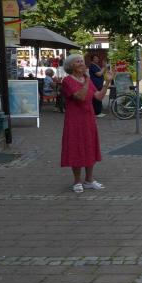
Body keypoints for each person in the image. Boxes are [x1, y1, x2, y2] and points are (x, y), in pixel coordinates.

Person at [61, 54, 112, 193]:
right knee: (76, 147)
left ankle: (89, 180)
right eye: (77, 61)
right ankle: (77, 181)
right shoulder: (67, 81)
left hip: (89, 118)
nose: (81, 63)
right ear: (71, 66)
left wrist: (107, 82)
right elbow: (81, 97)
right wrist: (88, 80)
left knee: (90, 146)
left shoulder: (86, 79)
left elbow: (99, 97)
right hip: (74, 120)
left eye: (82, 61)